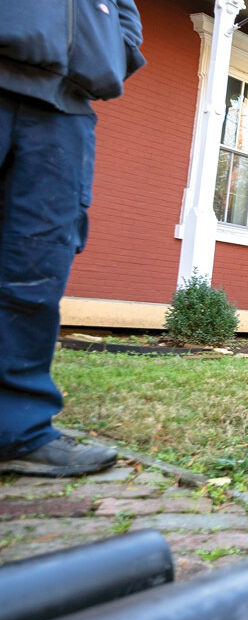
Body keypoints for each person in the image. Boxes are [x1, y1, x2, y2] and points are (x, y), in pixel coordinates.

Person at [0, 1, 146, 476]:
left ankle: (18, 432)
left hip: (65, 110)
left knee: (35, 270)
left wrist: (108, 53)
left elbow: (123, 15)